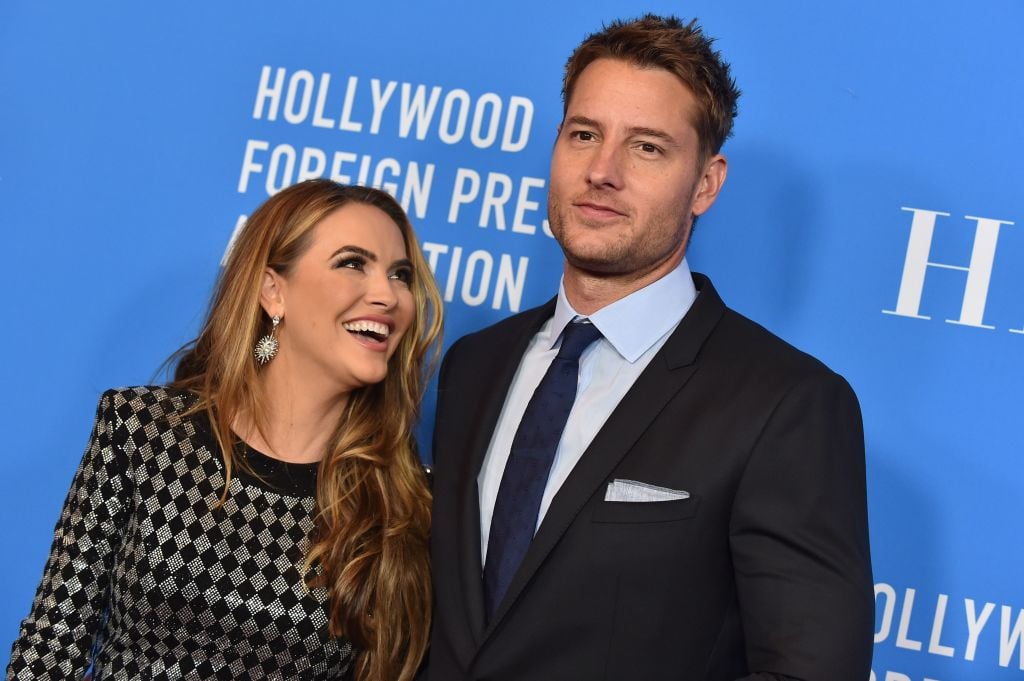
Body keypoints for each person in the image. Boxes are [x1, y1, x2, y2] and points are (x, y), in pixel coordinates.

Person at [426, 15, 873, 680]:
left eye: (647, 148)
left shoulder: (786, 406)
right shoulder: (474, 363)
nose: (602, 171)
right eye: (584, 135)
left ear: (706, 184)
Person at [7, 179, 442, 681]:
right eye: (352, 263)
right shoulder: (143, 432)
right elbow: (50, 646)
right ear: (272, 291)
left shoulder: (404, 501)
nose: (387, 295)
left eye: (400, 274)